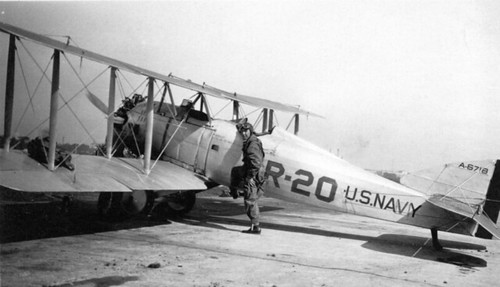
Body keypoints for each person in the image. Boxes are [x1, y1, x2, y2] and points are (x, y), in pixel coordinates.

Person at [230, 121, 265, 234]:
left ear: (250, 130)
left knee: (250, 200)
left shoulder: (252, 145)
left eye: (246, 131)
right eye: (242, 131)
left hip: (253, 172)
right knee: (235, 171)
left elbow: (255, 163)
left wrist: (250, 178)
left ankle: (256, 227)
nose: (244, 133)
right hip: (251, 169)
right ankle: (234, 192)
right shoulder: (253, 139)